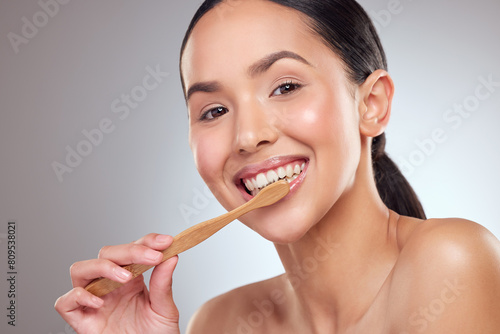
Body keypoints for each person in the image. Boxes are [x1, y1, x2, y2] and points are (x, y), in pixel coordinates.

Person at [54, 0, 500, 333]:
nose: (248, 136)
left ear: (372, 105)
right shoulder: (218, 322)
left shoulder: (451, 262)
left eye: (285, 86)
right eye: (213, 111)